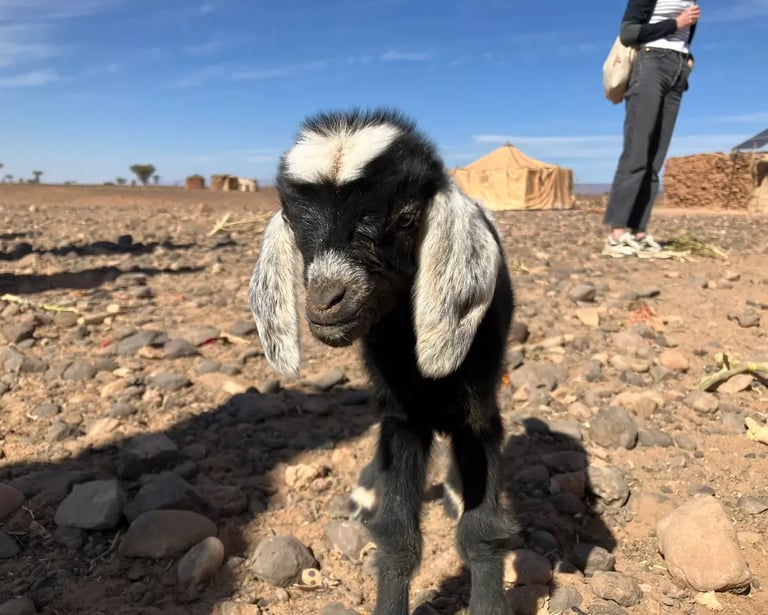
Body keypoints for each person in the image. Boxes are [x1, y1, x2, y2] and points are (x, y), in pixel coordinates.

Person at [602, 0, 701, 257]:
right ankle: (617, 234)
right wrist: (675, 24)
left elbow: (686, 35)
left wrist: (687, 59)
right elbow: (629, 32)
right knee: (637, 151)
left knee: (655, 158)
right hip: (651, 64)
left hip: (677, 71)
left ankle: (638, 231)